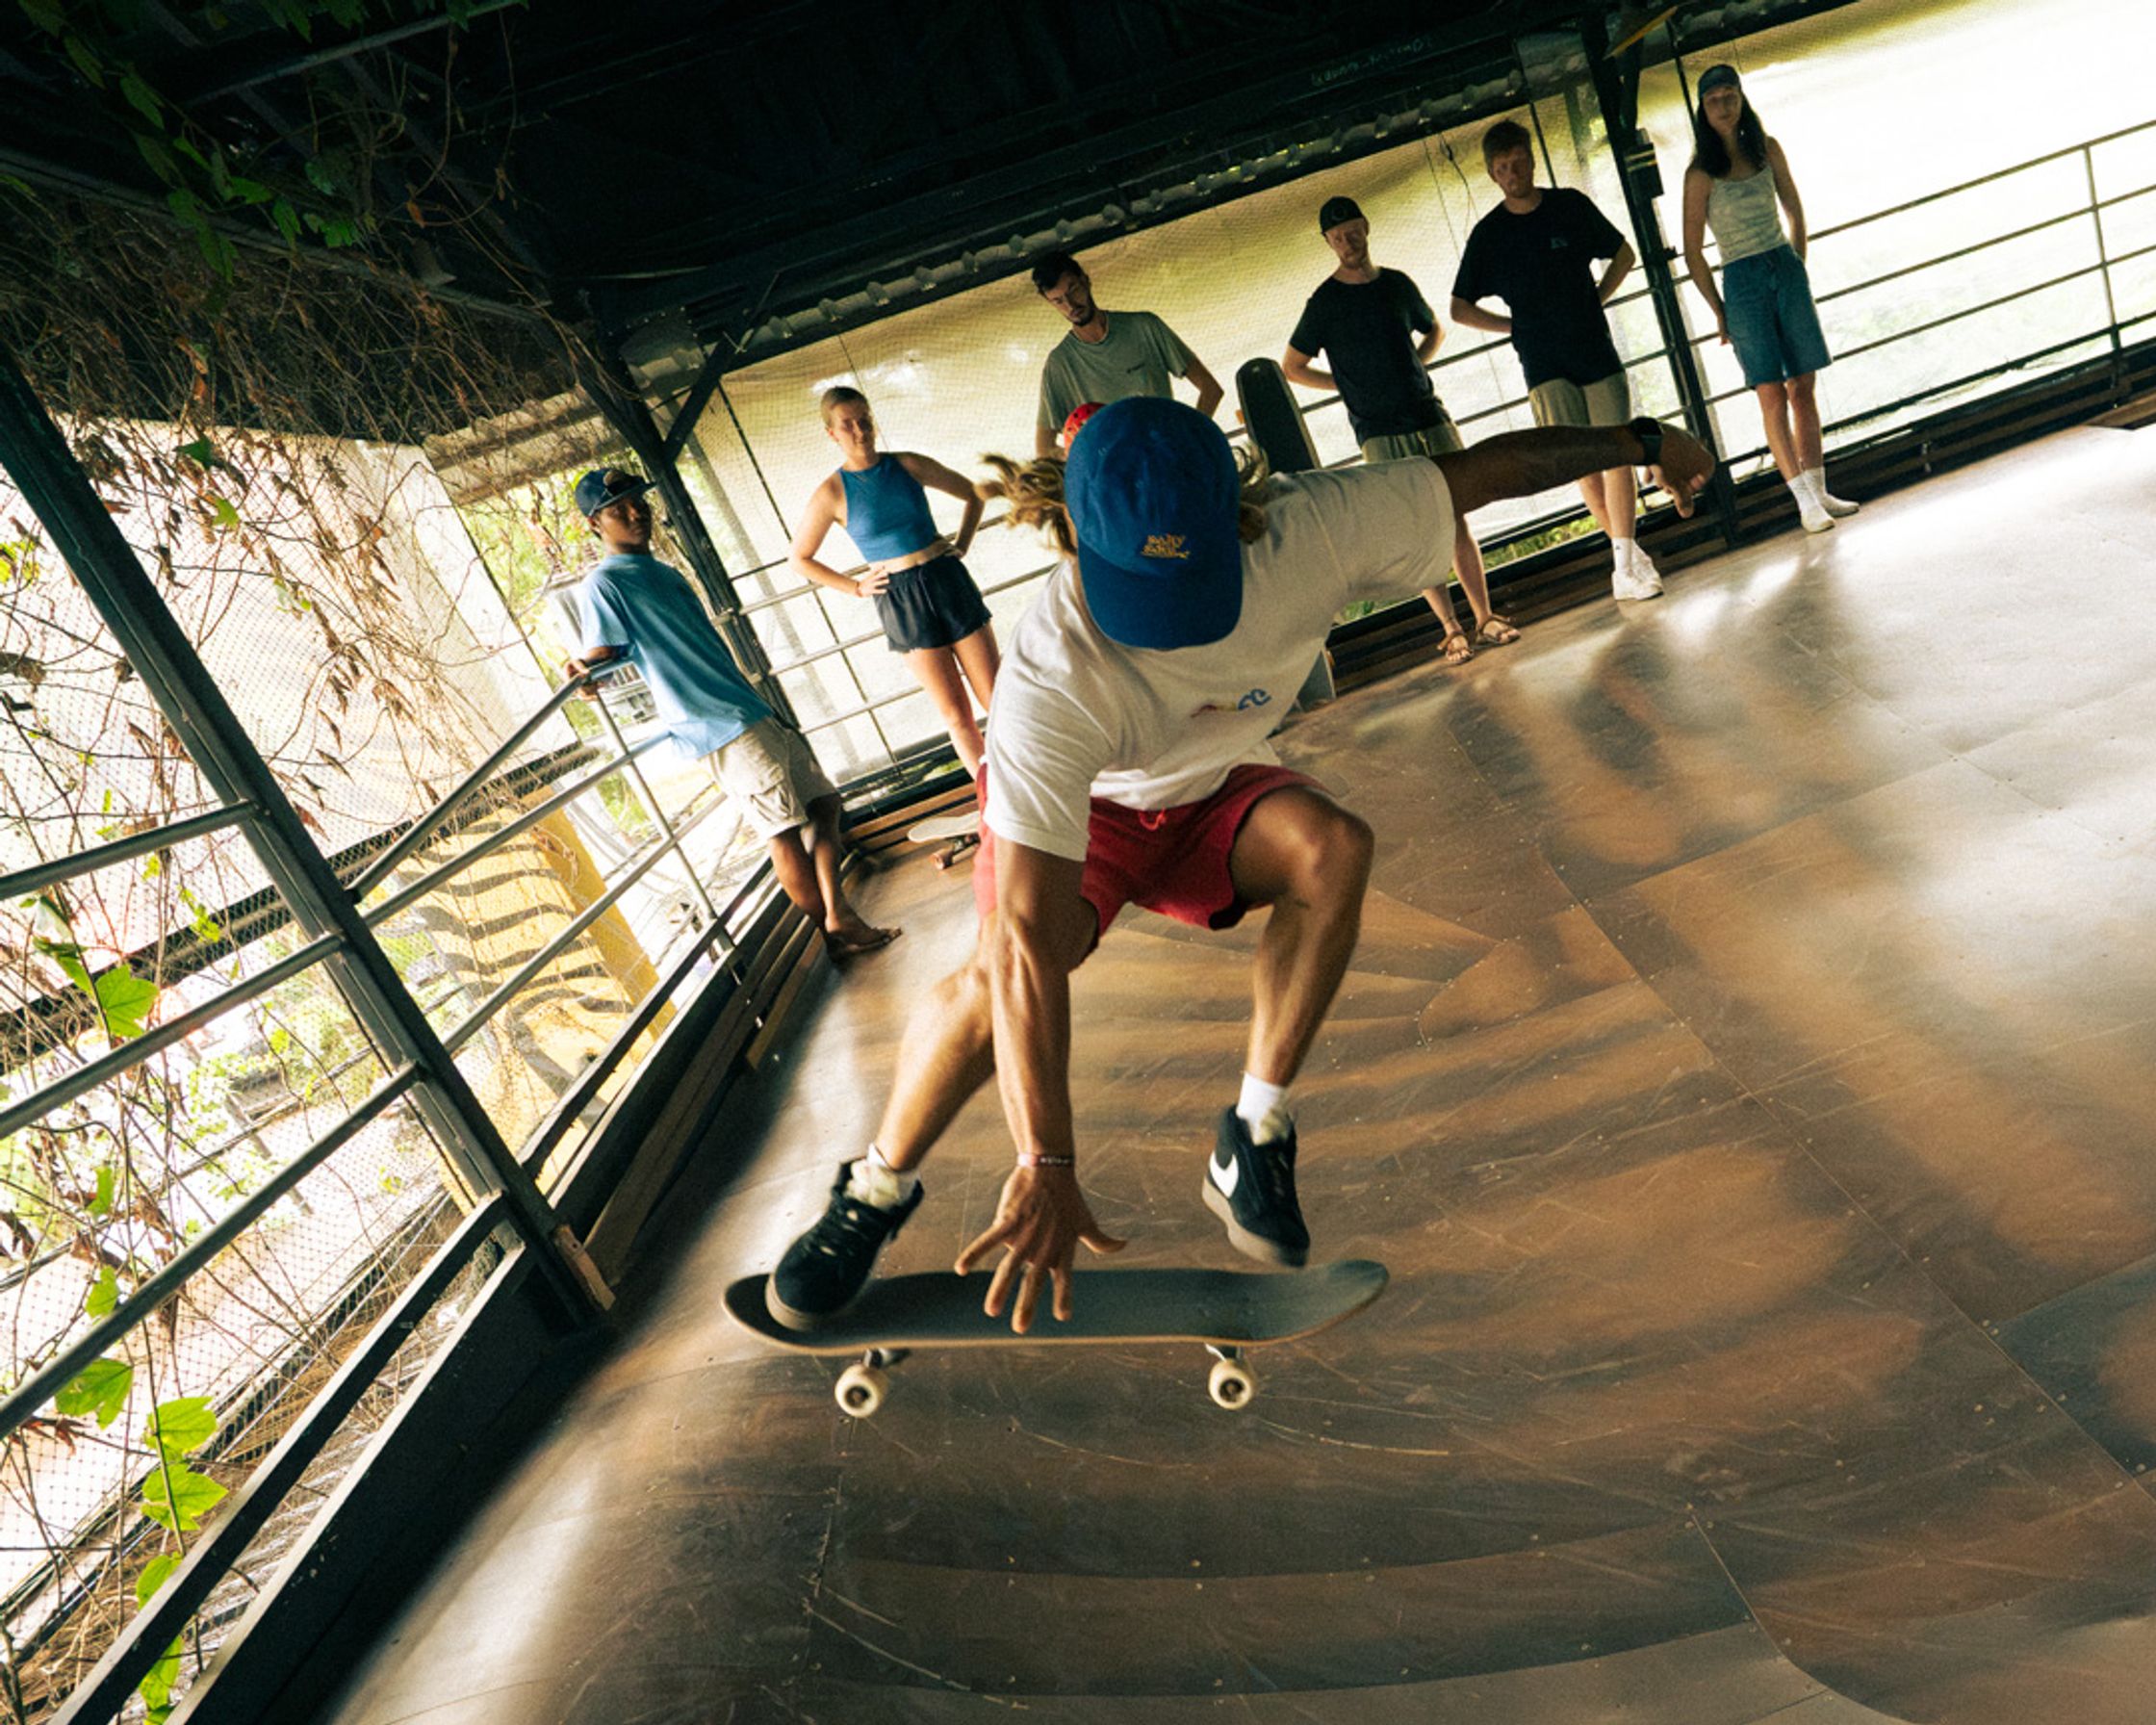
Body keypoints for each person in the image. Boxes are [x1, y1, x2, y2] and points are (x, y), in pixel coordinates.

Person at [764, 398, 1715, 1334]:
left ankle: (1251, 1134)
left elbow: (1482, 472)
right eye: (1145, 593)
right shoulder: (1050, 672)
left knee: (1332, 849)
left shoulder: (1315, 526)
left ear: (1239, 516)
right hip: (1089, 814)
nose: (1173, 626)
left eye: (1192, 585)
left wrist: (1638, 442)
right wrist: (1045, 1161)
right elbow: (1018, 943)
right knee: (997, 981)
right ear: (1073, 541)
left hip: (1209, 788)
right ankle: (874, 1187)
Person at [562, 467, 898, 959]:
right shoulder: (603, 585)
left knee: (823, 804)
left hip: (746, 708)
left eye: (638, 501)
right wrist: (581, 671)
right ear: (595, 524)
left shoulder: (661, 571)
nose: (635, 513)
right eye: (617, 510)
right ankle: (831, 935)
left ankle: (836, 911)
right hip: (716, 723)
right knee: (780, 830)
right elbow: (604, 655)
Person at [1284, 194, 1517, 665]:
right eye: (1337, 237)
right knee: (1416, 531)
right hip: (1377, 429)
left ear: (1365, 228)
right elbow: (1292, 366)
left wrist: (1417, 364)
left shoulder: (1396, 285)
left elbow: (1433, 328)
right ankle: (1450, 629)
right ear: (1328, 243)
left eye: (1353, 231)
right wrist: (1345, 389)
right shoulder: (1324, 303)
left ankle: (1484, 616)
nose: (1348, 242)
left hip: (1427, 413)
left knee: (1455, 516)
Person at [1451, 120, 1664, 602]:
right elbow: (1459, 308)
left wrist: (1598, 299)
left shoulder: (1569, 205)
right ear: (1492, 174)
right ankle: (1624, 560)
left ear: (1531, 160)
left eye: (1518, 162)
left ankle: (1628, 557)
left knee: (1619, 451)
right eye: (1501, 168)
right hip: (1543, 362)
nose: (1512, 173)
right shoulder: (1489, 234)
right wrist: (1514, 327)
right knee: (1577, 461)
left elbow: (1624, 254)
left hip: (1593, 347)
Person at [1681, 63, 1858, 534]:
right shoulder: (1700, 173)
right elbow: (1693, 250)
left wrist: (1797, 260)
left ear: (1741, 99)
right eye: (1713, 98)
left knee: (1803, 383)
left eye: (1729, 94)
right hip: (1741, 279)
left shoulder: (1767, 149)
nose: (1723, 104)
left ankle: (1820, 489)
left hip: (1782, 264)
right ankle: (1802, 497)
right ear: (1702, 109)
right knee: (1770, 391)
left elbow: (1793, 206)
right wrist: (1719, 310)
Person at [788, 387, 999, 775]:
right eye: (847, 425)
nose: (860, 430)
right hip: (899, 598)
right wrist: (855, 587)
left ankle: (1034, 781)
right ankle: (992, 798)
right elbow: (799, 558)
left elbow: (974, 494)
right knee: (956, 715)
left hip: (946, 578)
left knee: (997, 699)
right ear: (832, 433)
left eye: (864, 420)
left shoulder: (907, 464)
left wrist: (963, 543)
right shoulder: (832, 492)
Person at [1031, 250, 1224, 459]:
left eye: (1073, 290)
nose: (1070, 305)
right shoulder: (1059, 364)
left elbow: (1211, 389)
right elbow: (1044, 449)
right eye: (1058, 301)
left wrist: (1187, 438)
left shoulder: (1145, 326)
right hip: (1115, 481)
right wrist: (1086, 459)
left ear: (1086, 281)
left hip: (1168, 461)